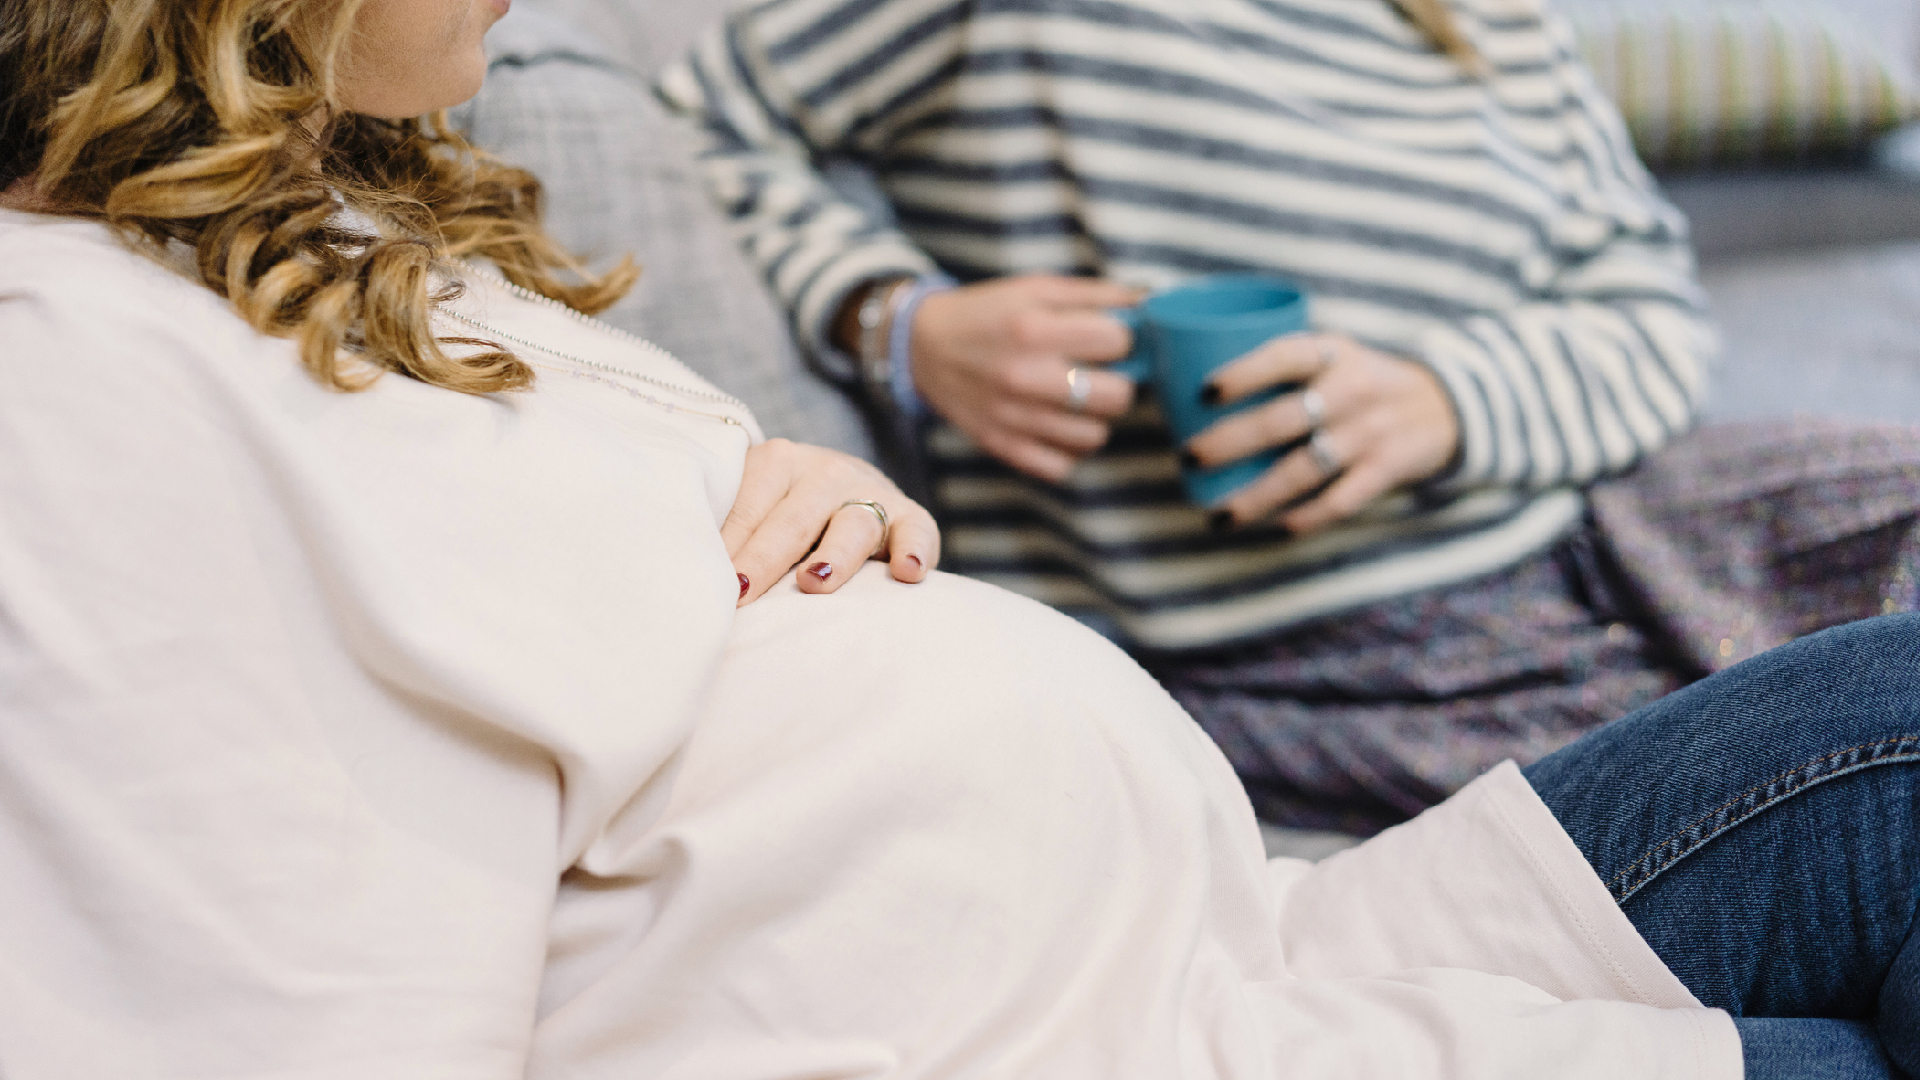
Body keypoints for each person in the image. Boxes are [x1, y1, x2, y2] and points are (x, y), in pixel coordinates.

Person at [0, 0, 1915, 1076]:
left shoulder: (306, 249)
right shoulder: (77, 370)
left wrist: (760, 478)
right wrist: (901, 335)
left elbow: (511, 591)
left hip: (1254, 933)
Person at [656, 0, 1920, 834]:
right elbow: (696, 116)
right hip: (1297, 663)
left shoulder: (1490, 24)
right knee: (1834, 794)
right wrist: (901, 322)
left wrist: (1444, 403)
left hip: (1609, 521)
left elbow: (1650, 304)